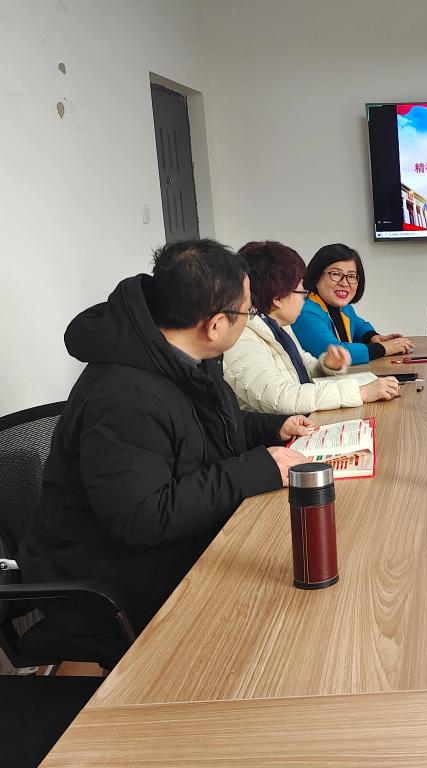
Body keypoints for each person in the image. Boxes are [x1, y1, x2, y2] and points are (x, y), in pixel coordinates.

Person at [18, 239, 312, 642]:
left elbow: (204, 429)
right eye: (248, 311)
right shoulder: (124, 396)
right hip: (116, 578)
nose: (250, 319)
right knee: (278, 613)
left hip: (171, 546)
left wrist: (272, 428)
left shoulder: (182, 357)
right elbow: (142, 516)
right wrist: (258, 468)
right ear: (215, 325)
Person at [224, 241, 401, 414]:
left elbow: (304, 367)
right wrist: (360, 392)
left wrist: (327, 366)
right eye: (301, 292)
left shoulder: (280, 326)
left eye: (352, 276)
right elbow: (281, 397)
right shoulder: (241, 338)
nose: (304, 298)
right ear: (277, 299)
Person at [291, 243, 412, 364]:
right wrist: (384, 348)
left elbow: (359, 327)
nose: (344, 283)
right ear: (316, 277)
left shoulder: (344, 308)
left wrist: (374, 337)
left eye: (351, 276)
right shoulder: (304, 311)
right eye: (336, 274)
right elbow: (336, 353)